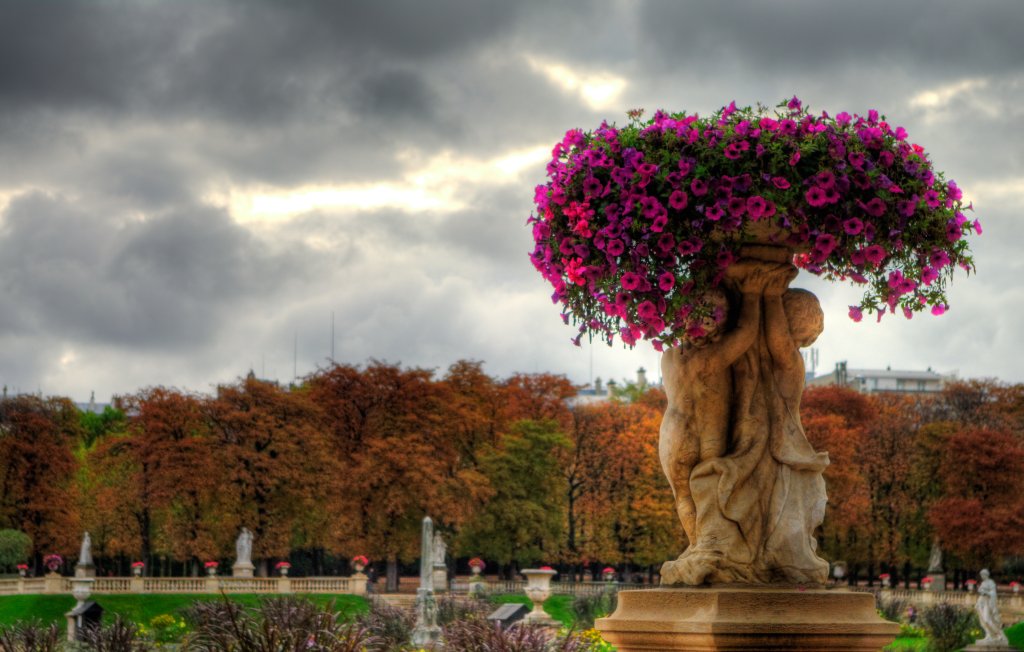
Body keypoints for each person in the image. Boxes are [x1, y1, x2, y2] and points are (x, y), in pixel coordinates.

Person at [975, 569, 1009, 645]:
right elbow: (981, 593)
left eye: (983, 575)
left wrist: (985, 592)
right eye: (981, 575)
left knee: (987, 620)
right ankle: (989, 635)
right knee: (983, 621)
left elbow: (993, 593)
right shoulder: (983, 583)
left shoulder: (991, 582)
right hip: (981, 602)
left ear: (986, 575)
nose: (982, 576)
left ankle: (1000, 635)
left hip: (988, 602)